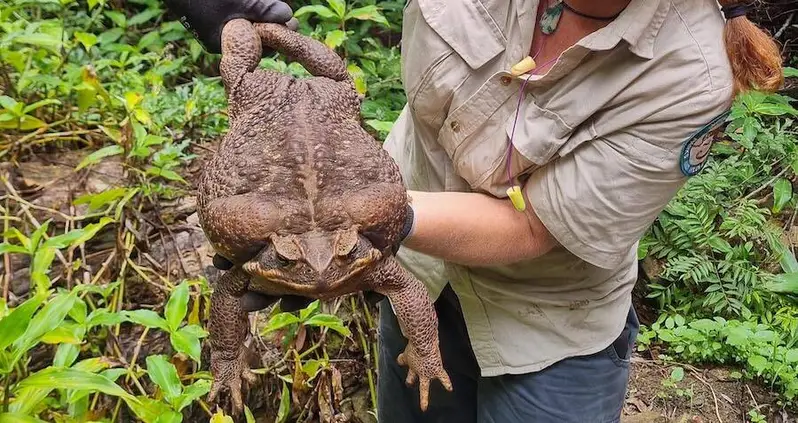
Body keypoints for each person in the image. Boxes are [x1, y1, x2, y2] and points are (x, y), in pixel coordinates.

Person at [163, 0, 785, 421]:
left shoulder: (692, 71)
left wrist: (364, 226)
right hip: (415, 274)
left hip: (546, 323)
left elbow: (534, 226)